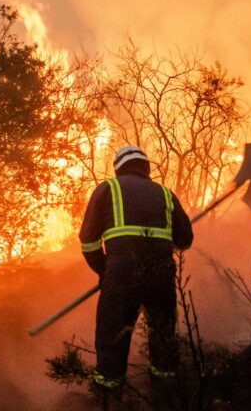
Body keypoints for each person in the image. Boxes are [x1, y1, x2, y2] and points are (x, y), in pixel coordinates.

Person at [79, 145, 194, 394]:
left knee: (113, 339)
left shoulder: (107, 189)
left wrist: (104, 271)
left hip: (121, 277)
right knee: (163, 336)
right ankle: (167, 394)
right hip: (160, 277)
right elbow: (185, 240)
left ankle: (108, 396)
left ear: (119, 169)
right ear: (146, 168)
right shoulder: (166, 194)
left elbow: (88, 241)